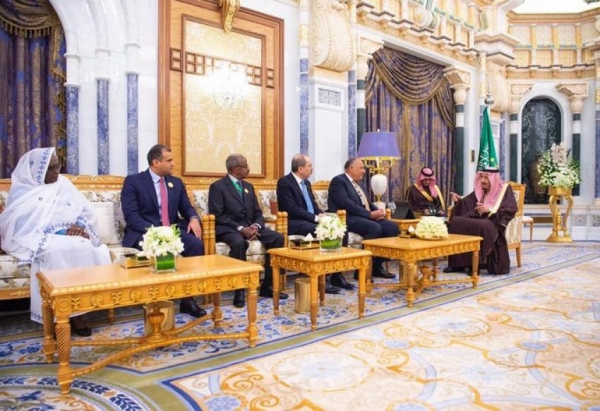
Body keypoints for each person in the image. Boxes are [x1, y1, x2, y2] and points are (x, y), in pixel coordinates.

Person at [0, 148, 112, 337]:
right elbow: (19, 224)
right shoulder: (23, 190)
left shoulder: (64, 183)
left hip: (72, 234)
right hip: (39, 237)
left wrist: (79, 225)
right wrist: (60, 231)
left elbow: (85, 210)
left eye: (57, 167)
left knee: (85, 247)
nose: (56, 172)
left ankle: (78, 312)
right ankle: (59, 312)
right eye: (51, 169)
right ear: (38, 171)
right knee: (57, 251)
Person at [121, 144, 207, 318]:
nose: (173, 164)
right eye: (169, 160)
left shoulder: (176, 182)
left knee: (196, 245)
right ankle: (156, 301)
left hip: (171, 231)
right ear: (156, 162)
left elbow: (186, 207)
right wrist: (157, 232)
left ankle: (188, 299)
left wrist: (193, 218)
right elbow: (131, 216)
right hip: (145, 232)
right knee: (160, 249)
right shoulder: (134, 181)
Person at [208, 154, 289, 308]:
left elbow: (258, 212)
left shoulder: (248, 186)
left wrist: (256, 226)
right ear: (235, 169)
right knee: (239, 243)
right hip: (230, 228)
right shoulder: (218, 187)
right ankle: (239, 290)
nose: (248, 169)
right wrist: (241, 229)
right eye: (245, 166)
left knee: (277, 238)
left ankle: (268, 286)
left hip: (251, 227)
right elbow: (218, 215)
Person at [277, 154, 351, 293]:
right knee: (324, 232)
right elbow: (292, 208)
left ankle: (337, 274)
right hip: (295, 222)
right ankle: (323, 278)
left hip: (310, 220)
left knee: (341, 230)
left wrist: (321, 214)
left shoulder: (306, 183)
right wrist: (315, 218)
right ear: (300, 168)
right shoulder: (285, 183)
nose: (312, 168)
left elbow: (313, 205)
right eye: (309, 166)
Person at [328, 157, 399, 279]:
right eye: (361, 168)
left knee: (392, 227)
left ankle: (376, 265)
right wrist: (369, 214)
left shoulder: (359, 184)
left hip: (363, 216)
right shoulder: (339, 181)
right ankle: (361, 269)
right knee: (375, 228)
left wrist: (377, 211)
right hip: (348, 217)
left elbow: (367, 203)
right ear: (351, 168)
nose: (363, 171)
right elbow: (346, 203)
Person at [445, 169, 517, 275]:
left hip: (493, 221)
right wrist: (458, 201)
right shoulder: (481, 189)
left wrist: (490, 210)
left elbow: (511, 208)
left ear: (493, 178)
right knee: (456, 222)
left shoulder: (504, 189)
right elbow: (467, 203)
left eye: (486, 177)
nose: (482, 180)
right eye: (481, 177)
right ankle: (457, 265)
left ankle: (475, 265)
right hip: (479, 219)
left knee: (481, 225)